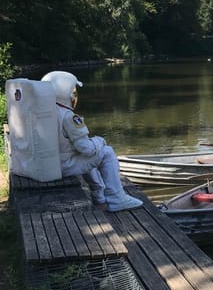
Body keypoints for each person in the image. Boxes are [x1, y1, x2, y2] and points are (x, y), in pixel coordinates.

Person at [41, 70, 143, 212]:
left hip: (47, 163)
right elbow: (86, 149)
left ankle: (99, 197)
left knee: (89, 155)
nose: (74, 95)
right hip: (62, 166)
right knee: (106, 152)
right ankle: (117, 198)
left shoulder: (40, 111)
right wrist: (100, 141)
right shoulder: (68, 117)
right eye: (73, 92)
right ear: (65, 93)